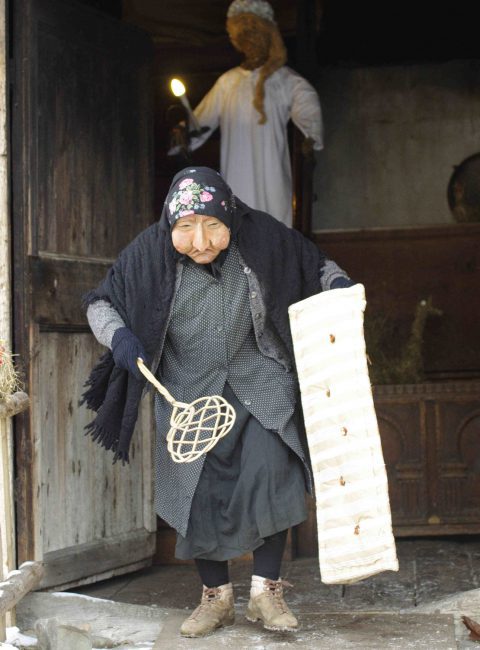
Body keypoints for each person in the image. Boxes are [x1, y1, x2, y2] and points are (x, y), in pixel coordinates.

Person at [82, 166, 354, 638]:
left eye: (211, 226)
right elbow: (99, 303)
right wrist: (119, 336)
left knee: (274, 477)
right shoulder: (147, 254)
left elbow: (316, 266)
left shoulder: (263, 236)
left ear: (229, 217)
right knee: (198, 494)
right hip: (187, 392)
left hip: (260, 380)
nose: (200, 240)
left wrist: (338, 290)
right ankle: (216, 600)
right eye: (186, 229)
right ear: (171, 225)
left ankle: (267, 593)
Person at [171, 0, 323, 227]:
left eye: (254, 35)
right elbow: (201, 120)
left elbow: (308, 105)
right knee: (238, 226)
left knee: (272, 227)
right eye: (243, 37)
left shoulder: (283, 80)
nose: (249, 43)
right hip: (237, 174)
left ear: (267, 37)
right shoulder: (228, 82)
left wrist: (310, 137)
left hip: (271, 173)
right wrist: (185, 130)